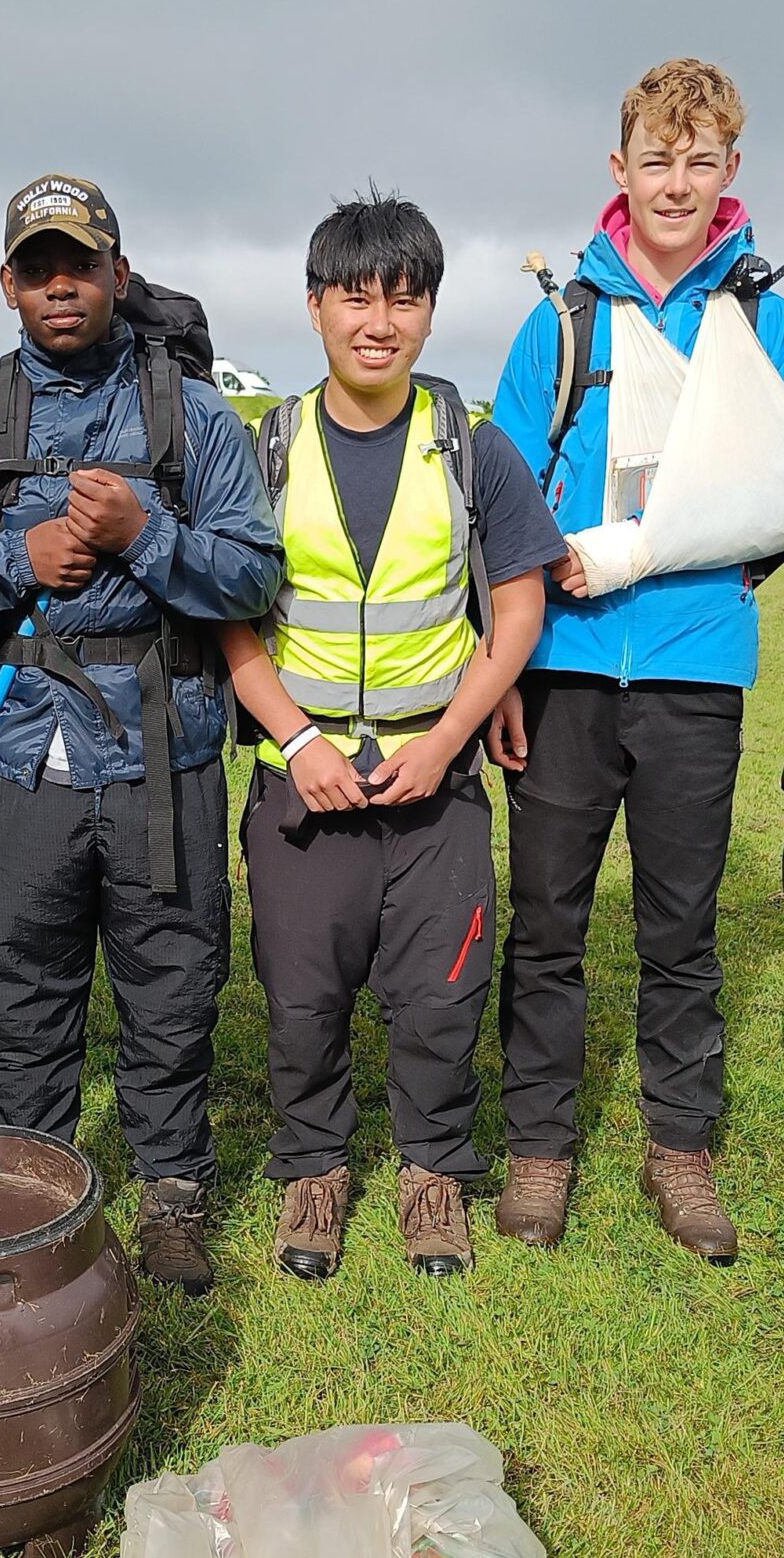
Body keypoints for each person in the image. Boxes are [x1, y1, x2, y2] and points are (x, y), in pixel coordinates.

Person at [0, 173, 283, 1294]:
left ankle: (170, 1196)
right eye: (39, 267)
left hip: (167, 747)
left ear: (118, 275)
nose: (62, 286)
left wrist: (146, 534)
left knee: (171, 983)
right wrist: (16, 559)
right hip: (15, 752)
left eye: (81, 264)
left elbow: (252, 571)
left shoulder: (195, 418)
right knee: (19, 983)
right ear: (8, 283)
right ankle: (34, 1194)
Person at [486, 59, 784, 1263]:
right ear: (618, 169)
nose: (676, 183)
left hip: (695, 667)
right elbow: (502, 499)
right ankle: (539, 1146)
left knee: (681, 927)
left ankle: (678, 1151)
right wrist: (505, 672)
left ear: (729, 172)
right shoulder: (563, 320)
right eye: (656, 159)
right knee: (546, 920)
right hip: (566, 671)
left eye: (700, 161)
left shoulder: (764, 322)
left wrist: (650, 553)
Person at [226, 194, 556, 1278]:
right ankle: (313, 1170)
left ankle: (433, 1174)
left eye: (403, 297)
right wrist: (300, 743)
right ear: (315, 304)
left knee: (439, 993)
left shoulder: (474, 450)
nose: (379, 320)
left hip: (437, 776)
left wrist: (448, 736)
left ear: (429, 311)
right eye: (355, 295)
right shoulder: (260, 452)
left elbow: (516, 615)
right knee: (302, 993)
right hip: (300, 774)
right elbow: (231, 618)